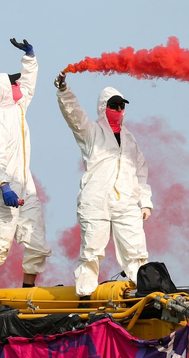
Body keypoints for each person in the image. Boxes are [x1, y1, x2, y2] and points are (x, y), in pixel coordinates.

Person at [54, 71, 153, 300]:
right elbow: (74, 115)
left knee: (136, 250)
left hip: (126, 201)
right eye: (113, 105)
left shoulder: (130, 139)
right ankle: (85, 299)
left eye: (121, 106)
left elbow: (140, 171)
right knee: (91, 251)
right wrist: (64, 91)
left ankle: (141, 295)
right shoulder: (91, 132)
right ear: (103, 107)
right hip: (96, 200)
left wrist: (145, 202)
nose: (118, 109)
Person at [0, 37, 51, 301]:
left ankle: (28, 292)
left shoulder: (17, 110)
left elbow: (28, 85)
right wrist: (4, 186)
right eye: (13, 83)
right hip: (0, 192)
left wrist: (29, 58)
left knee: (37, 241)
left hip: (24, 187)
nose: (18, 85)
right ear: (5, 91)